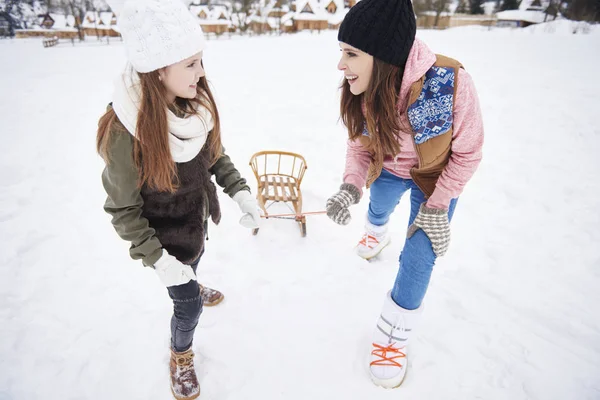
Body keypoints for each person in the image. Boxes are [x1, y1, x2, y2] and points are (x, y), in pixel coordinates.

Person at [96, 1, 260, 398]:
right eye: (190, 63)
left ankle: (194, 278)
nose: (201, 72)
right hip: (162, 240)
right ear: (158, 69)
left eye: (200, 60)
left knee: (196, 259)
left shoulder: (192, 107)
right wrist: (160, 261)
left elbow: (214, 154)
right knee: (188, 307)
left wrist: (240, 192)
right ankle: (181, 354)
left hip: (194, 223)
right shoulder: (125, 130)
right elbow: (123, 210)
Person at [326, 0, 484, 388]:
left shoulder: (451, 83)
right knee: (378, 206)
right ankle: (376, 232)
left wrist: (439, 204)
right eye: (341, 52)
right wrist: (350, 185)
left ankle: (392, 335)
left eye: (351, 54)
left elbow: (468, 152)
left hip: (435, 180)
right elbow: (360, 146)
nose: (340, 65)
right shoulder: (363, 89)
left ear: (384, 57)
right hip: (389, 169)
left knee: (419, 255)